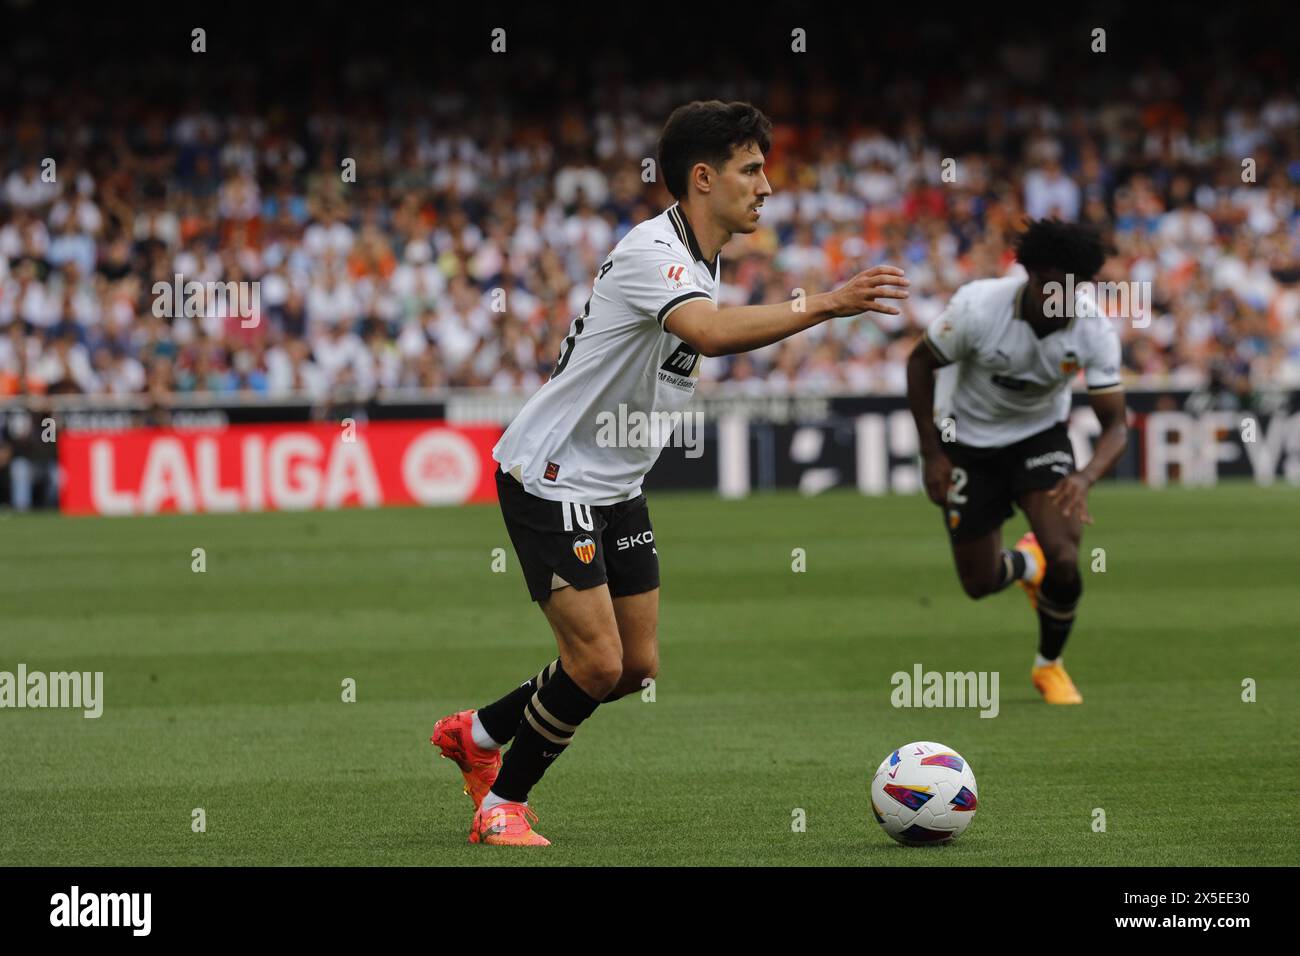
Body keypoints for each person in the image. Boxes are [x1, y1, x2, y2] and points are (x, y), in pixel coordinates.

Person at [431, 100, 910, 845]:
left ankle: (481, 732)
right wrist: (826, 304)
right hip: (551, 476)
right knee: (594, 663)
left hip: (613, 486)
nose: (766, 186)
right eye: (751, 169)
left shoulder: (701, 256)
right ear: (702, 177)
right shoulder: (653, 251)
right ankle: (503, 806)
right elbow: (709, 334)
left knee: (634, 667)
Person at [905, 218, 1129, 705]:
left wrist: (1086, 476)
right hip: (966, 440)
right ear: (1027, 273)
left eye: (1073, 287)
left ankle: (1050, 667)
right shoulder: (978, 307)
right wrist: (932, 453)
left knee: (1066, 559)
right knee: (979, 583)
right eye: (1052, 284)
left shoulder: (1094, 330)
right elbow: (919, 363)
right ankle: (1027, 563)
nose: (1061, 299)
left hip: (1039, 438)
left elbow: (1117, 425)